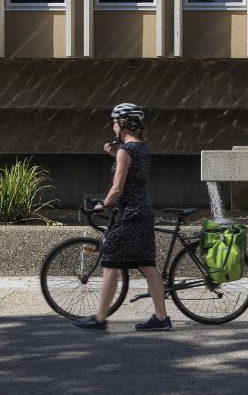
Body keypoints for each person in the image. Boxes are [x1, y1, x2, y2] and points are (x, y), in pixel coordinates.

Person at [72, 103, 172, 332]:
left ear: (123, 123)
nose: (113, 126)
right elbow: (130, 165)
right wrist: (114, 153)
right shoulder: (140, 149)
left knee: (109, 263)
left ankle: (99, 318)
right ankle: (161, 318)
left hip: (129, 215)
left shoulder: (126, 151)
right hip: (143, 212)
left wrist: (102, 204)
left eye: (115, 122)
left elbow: (117, 188)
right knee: (148, 265)